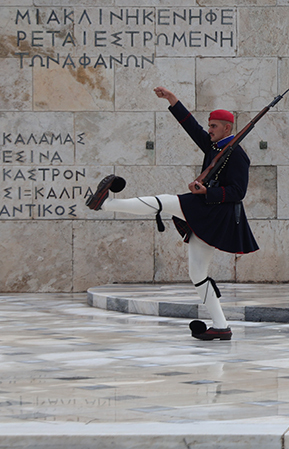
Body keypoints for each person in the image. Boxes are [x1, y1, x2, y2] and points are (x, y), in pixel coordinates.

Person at [85, 87, 259, 341]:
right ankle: (221, 326)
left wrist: (205, 193)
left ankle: (105, 204)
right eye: (209, 125)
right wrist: (172, 100)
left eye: (213, 126)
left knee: (165, 202)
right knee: (197, 274)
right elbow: (191, 128)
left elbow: (238, 192)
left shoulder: (237, 154)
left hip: (215, 212)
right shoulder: (214, 147)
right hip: (208, 214)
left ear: (227, 129)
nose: (208, 129)